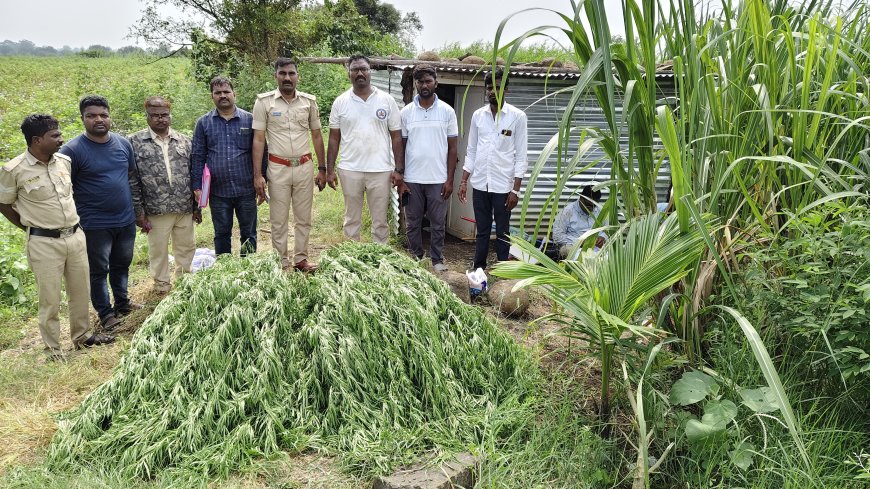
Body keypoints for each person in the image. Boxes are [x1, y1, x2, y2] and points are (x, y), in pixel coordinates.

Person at [0, 114, 114, 359]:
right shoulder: (14, 169)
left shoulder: (63, 161)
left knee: (80, 291)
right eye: (55, 136)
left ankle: (82, 337)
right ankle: (53, 349)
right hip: (43, 243)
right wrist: (29, 227)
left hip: (74, 236)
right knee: (50, 299)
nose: (61, 139)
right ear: (36, 140)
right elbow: (4, 203)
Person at [60, 96, 140, 331]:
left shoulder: (123, 144)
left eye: (103, 115)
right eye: (92, 115)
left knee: (122, 264)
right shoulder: (72, 151)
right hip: (94, 224)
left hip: (125, 219)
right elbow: (66, 188)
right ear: (82, 118)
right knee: (98, 270)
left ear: (110, 116)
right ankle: (105, 313)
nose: (98, 119)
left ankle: (123, 303)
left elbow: (129, 176)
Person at [252, 58, 325, 273]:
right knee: (278, 219)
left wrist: (322, 169)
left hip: (304, 166)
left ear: (297, 76)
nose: (287, 77)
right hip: (277, 168)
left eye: (291, 73)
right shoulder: (264, 103)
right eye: (282, 73)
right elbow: (258, 139)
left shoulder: (308, 102)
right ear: (275, 76)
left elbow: (317, 135)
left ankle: (301, 259)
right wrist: (258, 175)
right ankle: (281, 262)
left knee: (304, 218)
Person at [326, 54, 405, 244]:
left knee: (380, 221)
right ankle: (352, 257)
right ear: (349, 73)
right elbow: (334, 138)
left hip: (380, 170)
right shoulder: (340, 102)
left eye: (363, 69)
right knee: (351, 219)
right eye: (355, 70)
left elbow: (396, 136)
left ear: (370, 72)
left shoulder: (386, 100)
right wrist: (329, 170)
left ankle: (380, 257)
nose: (359, 73)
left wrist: (399, 169)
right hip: (349, 169)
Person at [458, 69, 528, 270]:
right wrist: (463, 181)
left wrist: (515, 190)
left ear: (506, 89)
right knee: (482, 230)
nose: (493, 92)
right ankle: (478, 269)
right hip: (480, 183)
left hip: (503, 187)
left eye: (498, 87)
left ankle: (503, 271)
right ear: (486, 90)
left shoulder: (517, 117)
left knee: (503, 232)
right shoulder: (478, 116)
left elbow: (521, 157)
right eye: (490, 88)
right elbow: (471, 150)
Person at [128, 96, 200, 294]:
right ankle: (162, 285)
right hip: (155, 208)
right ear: (147, 117)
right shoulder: (134, 142)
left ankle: (185, 280)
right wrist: (138, 211)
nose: (160, 119)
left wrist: (196, 207)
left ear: (170, 116)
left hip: (183, 205)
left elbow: (194, 174)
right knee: (158, 250)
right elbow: (132, 179)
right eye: (155, 115)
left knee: (186, 247)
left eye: (164, 115)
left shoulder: (184, 141)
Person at [191, 76, 260, 256]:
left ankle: (249, 267)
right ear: (212, 96)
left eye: (226, 92)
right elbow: (198, 155)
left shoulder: (249, 120)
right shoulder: (203, 123)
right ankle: (225, 270)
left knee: (249, 233)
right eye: (218, 93)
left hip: (246, 188)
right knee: (221, 234)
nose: (223, 96)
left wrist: (262, 178)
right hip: (218, 191)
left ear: (234, 94)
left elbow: (261, 151)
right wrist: (197, 186)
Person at [399, 64, 458, 272]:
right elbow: (401, 147)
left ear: (436, 83)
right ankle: (416, 256)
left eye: (428, 81)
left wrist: (450, 179)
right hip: (412, 178)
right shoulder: (406, 112)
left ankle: (437, 259)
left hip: (438, 179)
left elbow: (452, 149)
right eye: (420, 81)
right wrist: (401, 177)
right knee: (413, 222)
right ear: (415, 84)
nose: (424, 85)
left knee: (437, 223)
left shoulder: (447, 112)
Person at [552, 185, 607, 258]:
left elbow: (608, 228)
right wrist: (580, 241)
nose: (591, 208)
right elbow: (557, 236)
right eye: (588, 205)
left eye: (594, 205)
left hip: (596, 246)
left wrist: (602, 237)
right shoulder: (567, 212)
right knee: (581, 259)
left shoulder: (600, 210)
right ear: (581, 198)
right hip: (573, 246)